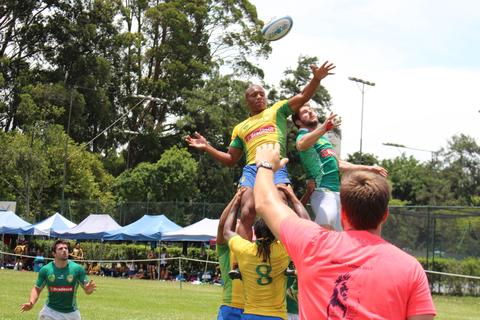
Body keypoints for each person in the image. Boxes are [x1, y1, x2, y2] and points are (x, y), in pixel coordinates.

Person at [253, 143, 436, 320]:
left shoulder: (312, 244)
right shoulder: (410, 269)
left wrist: (265, 164)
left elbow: (265, 203)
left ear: (343, 213)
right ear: (385, 215)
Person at [186, 61, 336, 241]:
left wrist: (316, 79)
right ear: (246, 100)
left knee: (281, 204)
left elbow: (303, 96)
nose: (259, 97)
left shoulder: (277, 110)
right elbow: (231, 159)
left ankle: (283, 256)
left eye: (261, 94)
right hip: (251, 169)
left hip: (276, 165)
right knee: (248, 210)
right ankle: (241, 263)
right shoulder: (240, 128)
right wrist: (207, 147)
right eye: (253, 95)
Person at [293, 103, 388, 230]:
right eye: (305, 111)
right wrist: (324, 128)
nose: (310, 112)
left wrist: (369, 168)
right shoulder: (303, 136)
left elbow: (339, 164)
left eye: (311, 109)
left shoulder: (323, 139)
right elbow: (301, 145)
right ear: (298, 122)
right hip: (323, 192)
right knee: (324, 231)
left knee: (340, 238)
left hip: (337, 194)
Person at [20, 239, 96, 319]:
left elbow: (87, 290)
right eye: (60, 249)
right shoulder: (46, 270)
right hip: (50, 312)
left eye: (66, 248)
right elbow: (37, 289)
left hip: (71, 313)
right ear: (54, 253)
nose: (64, 250)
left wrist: (88, 289)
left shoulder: (77, 269)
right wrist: (31, 302)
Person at [216, 188, 246, 320]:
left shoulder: (250, 248)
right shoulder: (225, 250)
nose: (238, 223)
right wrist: (236, 199)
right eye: (236, 222)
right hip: (230, 307)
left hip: (251, 309)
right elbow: (222, 226)